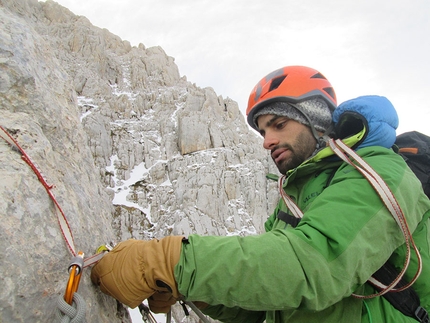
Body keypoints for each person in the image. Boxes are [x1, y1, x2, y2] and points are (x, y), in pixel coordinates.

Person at [91, 66, 430, 323]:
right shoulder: (291, 201)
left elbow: (312, 266)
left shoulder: (380, 170)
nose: (266, 140)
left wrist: (172, 262)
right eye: (263, 130)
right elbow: (269, 302)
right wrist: (190, 288)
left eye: (279, 125)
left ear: (319, 124)